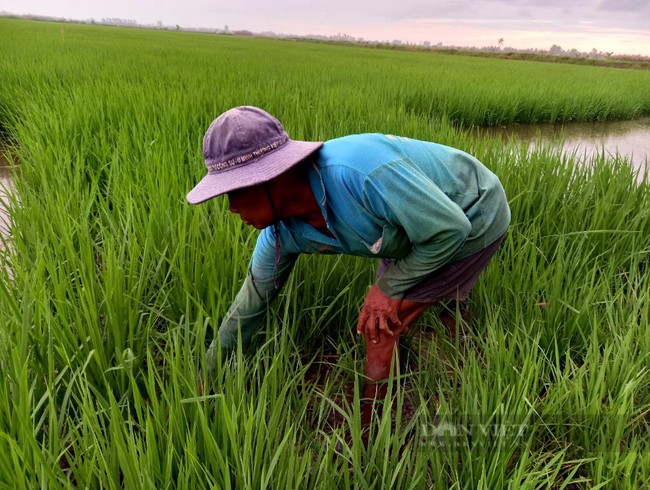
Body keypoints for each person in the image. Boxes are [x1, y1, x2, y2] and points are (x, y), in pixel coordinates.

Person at [187, 106, 510, 401]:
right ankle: (448, 324)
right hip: (406, 226)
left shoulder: (360, 175)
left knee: (379, 326)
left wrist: (387, 288)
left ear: (274, 177)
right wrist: (206, 373)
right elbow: (250, 304)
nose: (231, 208)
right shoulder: (280, 236)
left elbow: (450, 229)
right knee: (403, 304)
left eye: (236, 192)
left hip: (473, 211)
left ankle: (371, 432)